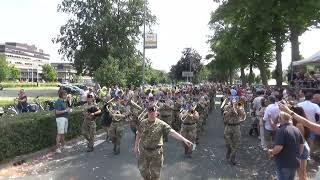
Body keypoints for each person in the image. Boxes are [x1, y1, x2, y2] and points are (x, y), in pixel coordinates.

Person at [133, 105, 193, 180]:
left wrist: (184, 139)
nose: (151, 114)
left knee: (155, 174)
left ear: (156, 113)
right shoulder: (143, 123)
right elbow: (138, 133)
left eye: (153, 112)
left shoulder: (161, 124)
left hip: (156, 152)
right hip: (144, 152)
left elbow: (172, 132)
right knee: (143, 171)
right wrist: (136, 146)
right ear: (147, 113)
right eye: (150, 112)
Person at [267, 111, 304, 180]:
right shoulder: (296, 129)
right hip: (294, 163)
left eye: (279, 118)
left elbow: (279, 147)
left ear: (281, 119)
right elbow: (302, 145)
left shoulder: (281, 130)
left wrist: (271, 151)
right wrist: (298, 155)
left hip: (284, 163)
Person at [223, 98, 246, 165]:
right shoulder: (226, 107)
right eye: (233, 102)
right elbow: (225, 117)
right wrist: (231, 111)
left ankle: (233, 159)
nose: (234, 103)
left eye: (236, 102)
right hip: (228, 127)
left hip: (236, 127)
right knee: (228, 144)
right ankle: (229, 151)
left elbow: (243, 116)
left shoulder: (240, 107)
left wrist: (238, 109)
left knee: (236, 144)